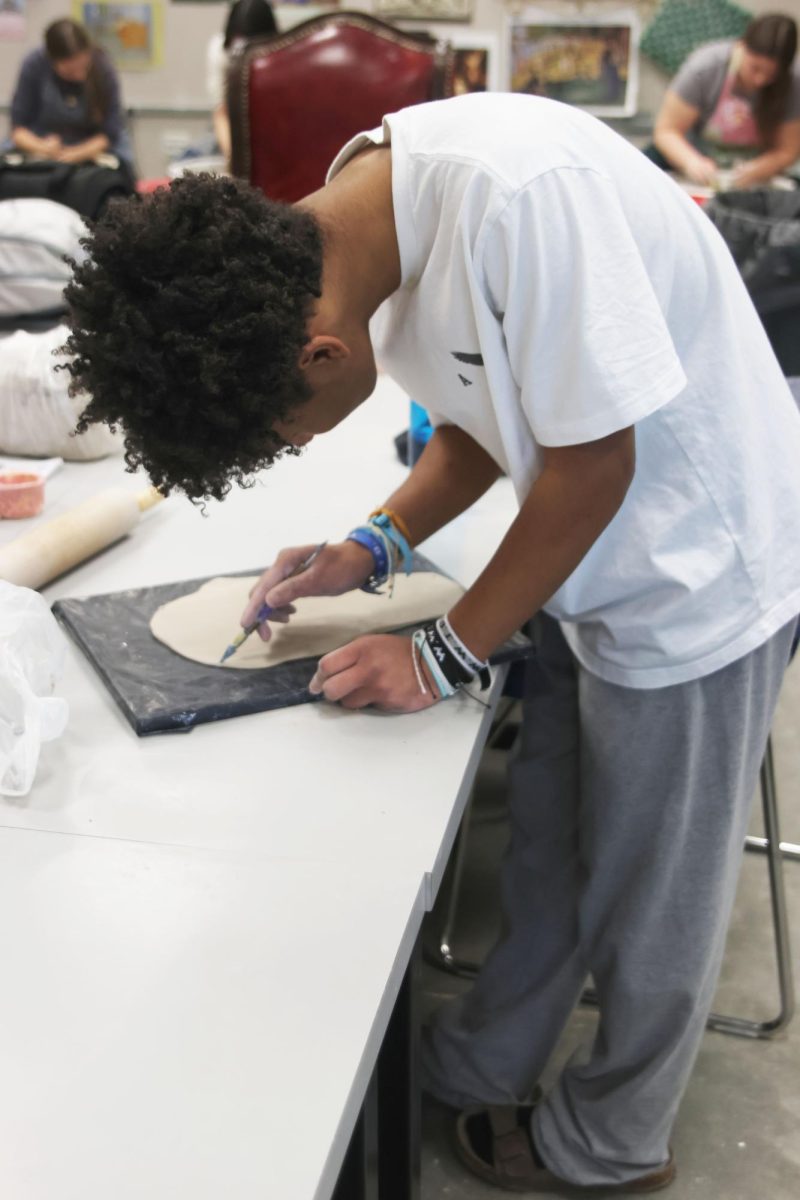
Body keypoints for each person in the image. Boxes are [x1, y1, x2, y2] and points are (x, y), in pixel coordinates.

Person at [62, 93, 800, 1193]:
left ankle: (612, 1139)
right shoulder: (357, 222)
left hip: (694, 565)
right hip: (574, 555)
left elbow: (596, 470)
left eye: (285, 433)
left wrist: (441, 654)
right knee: (548, 842)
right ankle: (483, 1054)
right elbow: (478, 414)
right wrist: (371, 543)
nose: (295, 444)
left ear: (318, 355)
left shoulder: (520, 205)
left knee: (650, 891)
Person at [652, 12, 800, 188]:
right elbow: (666, 131)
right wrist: (692, 162)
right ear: (742, 46)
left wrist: (761, 168)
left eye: (771, 74)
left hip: (756, 176)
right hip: (699, 165)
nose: (760, 80)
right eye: (755, 68)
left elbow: (787, 150)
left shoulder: (794, 80)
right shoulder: (705, 67)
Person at [7, 17, 133, 169]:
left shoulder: (102, 66)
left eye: (83, 68)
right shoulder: (34, 65)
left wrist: (76, 154)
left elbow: (111, 132)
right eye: (70, 72)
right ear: (52, 61)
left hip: (92, 149)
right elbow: (18, 129)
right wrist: (42, 147)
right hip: (43, 147)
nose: (80, 76)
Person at [206, 0, 277, 164]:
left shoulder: (280, 58)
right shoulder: (220, 51)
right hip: (229, 132)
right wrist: (234, 159)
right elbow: (220, 112)